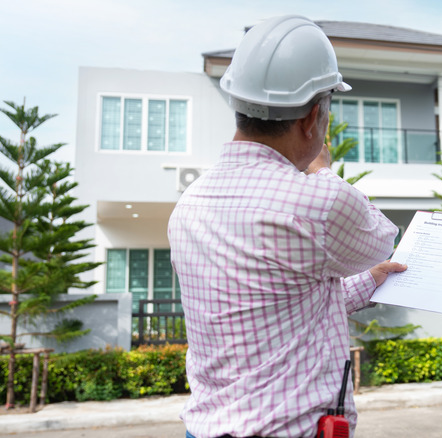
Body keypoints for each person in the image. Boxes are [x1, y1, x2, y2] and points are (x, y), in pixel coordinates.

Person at [168, 15, 405, 438]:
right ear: (313, 117)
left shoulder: (189, 205)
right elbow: (382, 239)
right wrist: (324, 171)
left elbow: (271, 304)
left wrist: (369, 282)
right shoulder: (316, 199)